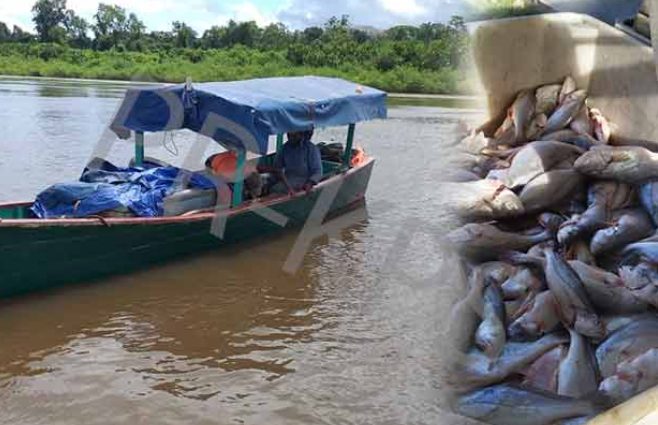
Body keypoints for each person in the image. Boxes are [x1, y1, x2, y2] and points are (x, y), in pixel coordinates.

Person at [264, 129, 323, 195]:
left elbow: (318, 171)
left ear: (301, 135)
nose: (291, 138)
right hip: (288, 179)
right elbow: (277, 168)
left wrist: (310, 183)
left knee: (277, 190)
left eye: (294, 136)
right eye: (289, 136)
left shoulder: (311, 149)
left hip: (303, 181)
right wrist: (269, 181)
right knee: (268, 186)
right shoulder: (285, 148)